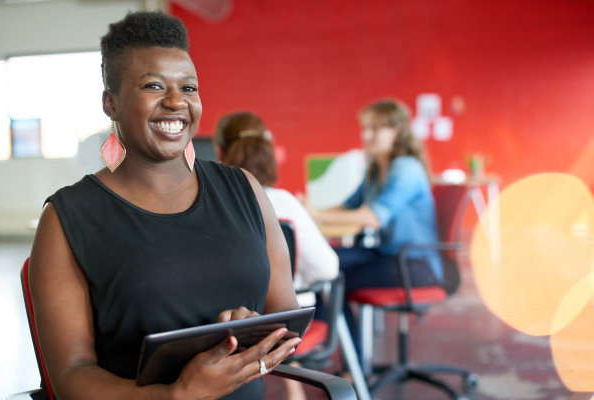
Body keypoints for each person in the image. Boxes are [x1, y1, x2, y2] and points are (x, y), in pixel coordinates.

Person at [28, 12, 301, 400]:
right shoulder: (67, 219)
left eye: (188, 88)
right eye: (154, 86)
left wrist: (255, 332)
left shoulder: (245, 189)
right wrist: (178, 395)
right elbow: (70, 376)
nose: (176, 102)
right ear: (111, 102)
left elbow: (288, 317)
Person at [301, 99, 442, 354]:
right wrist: (308, 211)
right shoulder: (376, 169)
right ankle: (323, 342)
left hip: (415, 264)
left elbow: (373, 217)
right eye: (365, 128)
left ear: (396, 132)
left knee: (333, 280)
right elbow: (348, 206)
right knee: (322, 263)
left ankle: (343, 357)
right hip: (388, 254)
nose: (366, 135)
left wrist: (316, 213)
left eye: (375, 129)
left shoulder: (406, 168)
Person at [214, 112, 339, 400]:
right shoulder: (284, 202)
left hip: (224, 322)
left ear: (219, 152)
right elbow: (329, 268)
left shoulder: (211, 208)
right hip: (284, 320)